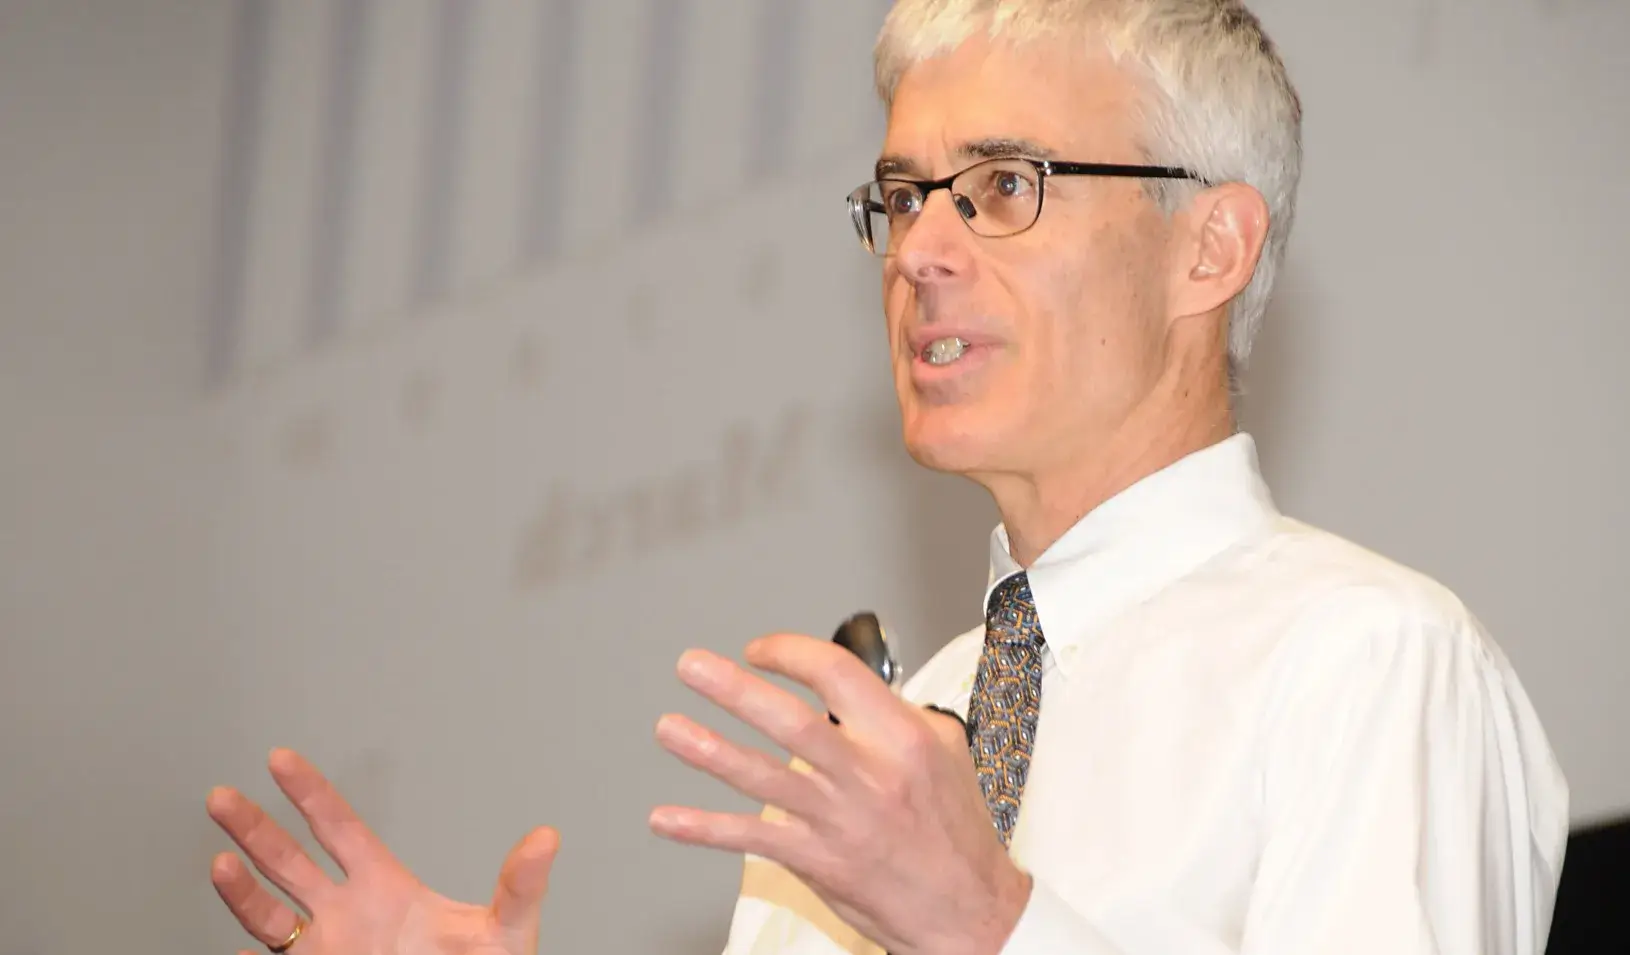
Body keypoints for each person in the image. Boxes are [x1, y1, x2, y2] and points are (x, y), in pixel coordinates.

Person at [204, 1, 1570, 954]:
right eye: (902, 194)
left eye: (1000, 186)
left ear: (1205, 249)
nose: (918, 247)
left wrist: (986, 926)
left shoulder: (1366, 662)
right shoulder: (893, 738)